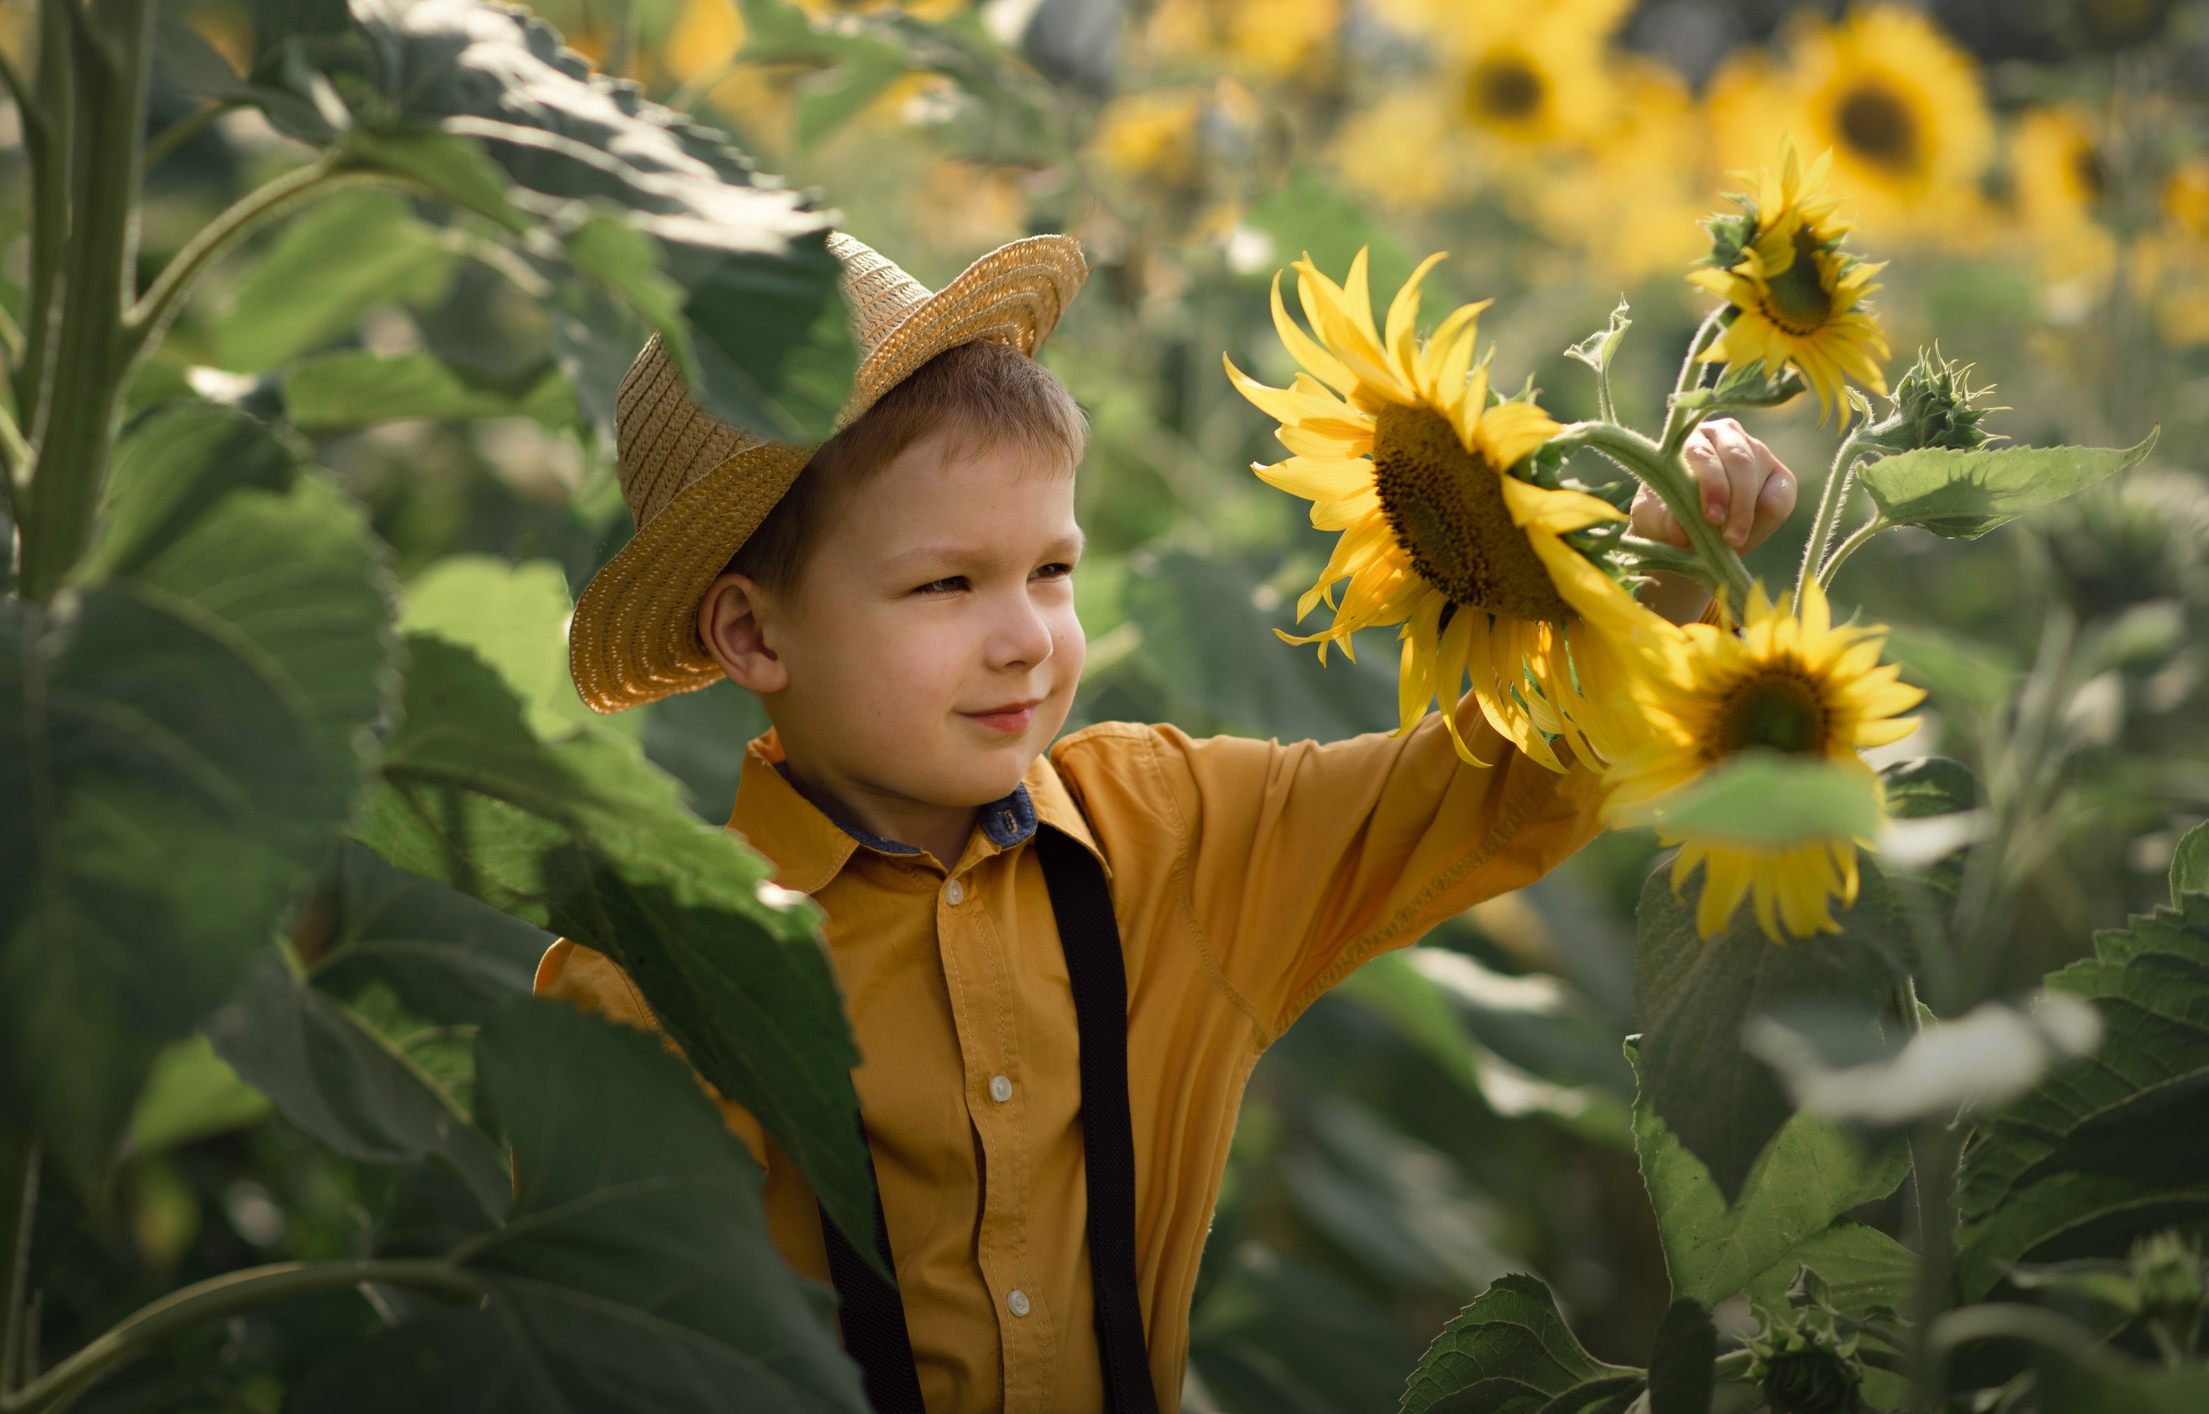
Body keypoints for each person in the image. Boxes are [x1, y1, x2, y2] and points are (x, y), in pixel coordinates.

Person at [541, 233, 1796, 1414]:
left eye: (1051, 570)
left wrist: (1664, 578)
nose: (1026, 637)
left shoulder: (1166, 836)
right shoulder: (653, 980)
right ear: (752, 633)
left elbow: (1482, 784)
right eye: (945, 583)